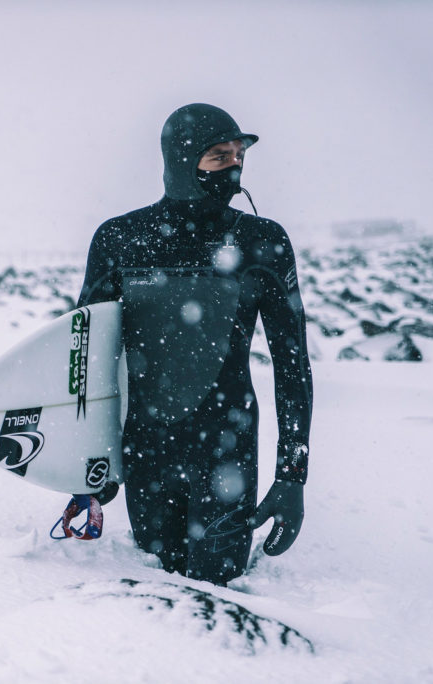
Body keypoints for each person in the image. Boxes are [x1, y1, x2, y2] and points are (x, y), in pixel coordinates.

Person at [74, 103, 313, 585]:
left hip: (228, 445)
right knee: (156, 587)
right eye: (219, 156)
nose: (234, 167)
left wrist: (292, 475)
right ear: (182, 159)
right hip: (146, 448)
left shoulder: (261, 241)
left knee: (218, 587)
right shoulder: (121, 239)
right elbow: (86, 357)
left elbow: (292, 364)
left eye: (238, 156)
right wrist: (86, 463)